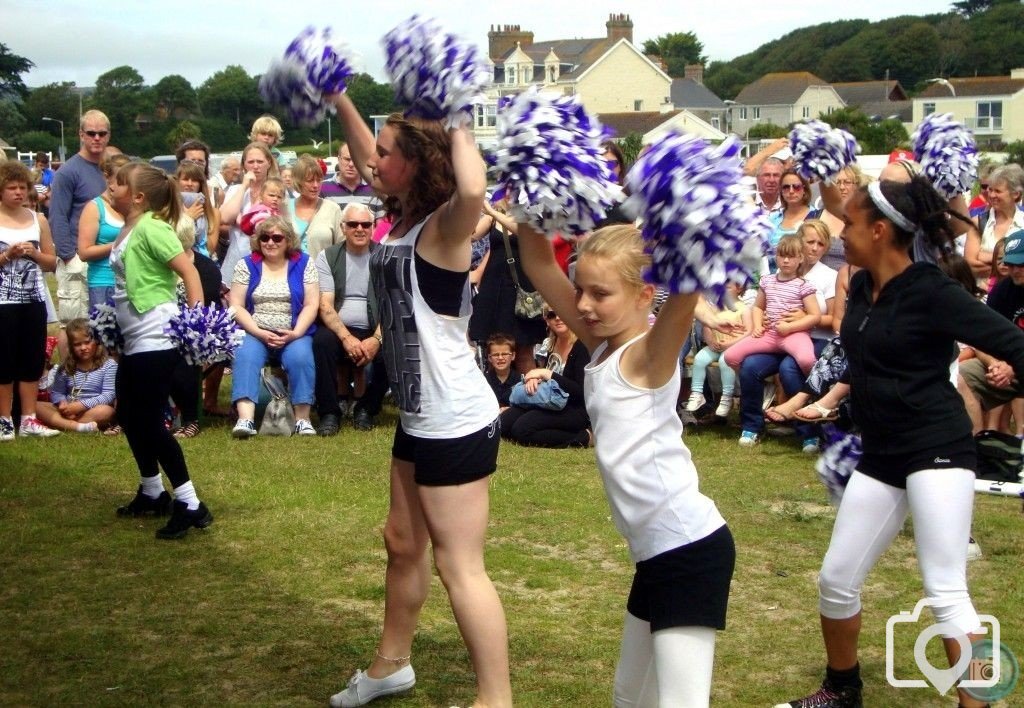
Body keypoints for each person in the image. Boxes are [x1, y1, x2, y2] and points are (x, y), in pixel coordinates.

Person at [775, 176, 1024, 708]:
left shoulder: (932, 291)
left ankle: (977, 702)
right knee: (836, 580)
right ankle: (843, 691)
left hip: (937, 449)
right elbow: (863, 364)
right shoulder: (863, 288)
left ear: (882, 231)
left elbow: (1011, 343)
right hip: (881, 451)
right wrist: (822, 406)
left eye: (853, 224)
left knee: (946, 592)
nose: (844, 233)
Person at [325, 91, 511, 708]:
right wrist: (338, 96)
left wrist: (457, 117)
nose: (372, 161)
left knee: (461, 567)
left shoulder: (444, 229)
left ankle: (496, 699)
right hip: (420, 415)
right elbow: (364, 149)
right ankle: (391, 666)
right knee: (402, 543)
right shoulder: (400, 216)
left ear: (416, 162)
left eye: (386, 153)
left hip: (455, 419)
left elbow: (473, 193)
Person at [517, 222, 735, 706]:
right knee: (628, 698)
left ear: (644, 295)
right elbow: (536, 263)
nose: (585, 304)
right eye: (580, 291)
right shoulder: (601, 347)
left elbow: (684, 291)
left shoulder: (649, 357)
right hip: (654, 557)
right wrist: (533, 202)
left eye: (601, 293)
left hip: (689, 551)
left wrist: (692, 220)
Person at [107, 163, 212, 540]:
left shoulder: (153, 226)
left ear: (137, 197)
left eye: (118, 183)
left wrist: (197, 325)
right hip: (136, 339)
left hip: (157, 336)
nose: (111, 186)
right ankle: (152, 491)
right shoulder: (129, 228)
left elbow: (190, 271)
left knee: (150, 421)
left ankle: (190, 502)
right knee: (131, 416)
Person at [228, 215, 318, 437]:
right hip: (255, 331)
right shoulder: (246, 265)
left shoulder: (305, 263)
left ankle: (302, 419)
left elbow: (311, 304)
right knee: (245, 355)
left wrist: (296, 333)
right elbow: (237, 306)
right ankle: (245, 419)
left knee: (301, 357)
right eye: (265, 238)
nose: (270, 242)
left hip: (293, 332)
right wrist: (258, 332)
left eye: (277, 238)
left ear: (288, 240)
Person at [723, 234, 821, 423]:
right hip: (769, 335)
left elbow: (814, 316)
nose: (785, 260)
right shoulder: (767, 281)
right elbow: (758, 307)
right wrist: (758, 326)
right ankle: (766, 384)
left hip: (793, 335)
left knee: (807, 359)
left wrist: (791, 326)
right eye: (781, 255)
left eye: (791, 256)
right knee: (731, 356)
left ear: (800, 258)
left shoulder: (804, 286)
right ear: (775, 256)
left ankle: (814, 392)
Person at [312, 202, 384, 435]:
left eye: (365, 224)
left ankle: (367, 408)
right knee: (322, 342)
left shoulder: (385, 257)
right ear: (343, 228)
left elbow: (393, 306)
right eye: (353, 224)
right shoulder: (328, 257)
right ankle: (329, 412)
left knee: (397, 349)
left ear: (373, 227)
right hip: (339, 327)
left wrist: (376, 339)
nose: (359, 229)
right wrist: (346, 338)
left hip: (376, 327)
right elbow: (325, 305)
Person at [0, 161, 60, 440]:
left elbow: (51, 262)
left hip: (33, 299)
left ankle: (28, 418)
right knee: (4, 361)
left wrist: (33, 254)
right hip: (3, 301)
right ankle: (4, 420)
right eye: (11, 187)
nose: (18, 192)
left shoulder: (39, 220)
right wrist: (6, 256)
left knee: (31, 359)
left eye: (22, 187)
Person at [49, 110, 110, 354]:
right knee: (72, 325)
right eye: (91, 133)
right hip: (76, 257)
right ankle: (69, 378)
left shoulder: (108, 170)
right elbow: (57, 216)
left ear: (108, 135)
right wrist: (68, 256)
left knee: (99, 323)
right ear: (81, 135)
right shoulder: (68, 171)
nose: (96, 138)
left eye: (101, 133)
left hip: (103, 258)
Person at [500, 308, 591, 448]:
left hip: (575, 408)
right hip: (548, 402)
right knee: (503, 424)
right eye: (552, 315)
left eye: (563, 313)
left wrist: (547, 374)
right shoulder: (550, 344)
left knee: (522, 431)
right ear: (546, 319)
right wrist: (535, 379)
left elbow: (582, 392)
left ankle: (584, 438)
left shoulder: (582, 347)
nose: (558, 318)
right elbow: (544, 377)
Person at [35, 317, 116, 433]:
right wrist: (62, 403)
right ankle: (78, 427)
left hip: (92, 409)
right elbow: (57, 392)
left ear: (97, 341)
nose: (83, 348)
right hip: (68, 408)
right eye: (77, 344)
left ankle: (63, 424)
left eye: (87, 342)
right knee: (35, 405)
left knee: (107, 411)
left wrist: (81, 405)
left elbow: (108, 395)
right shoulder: (66, 367)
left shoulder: (109, 365)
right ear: (71, 347)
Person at [684, 281, 752, 418]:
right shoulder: (717, 306)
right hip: (716, 345)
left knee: (724, 362)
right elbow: (707, 325)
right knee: (699, 359)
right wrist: (710, 341)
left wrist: (730, 343)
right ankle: (697, 393)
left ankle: (727, 397)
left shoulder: (744, 308)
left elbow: (749, 331)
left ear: (739, 289)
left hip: (733, 347)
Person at [219, 142, 279, 287]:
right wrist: (244, 185)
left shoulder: (276, 191)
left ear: (268, 163)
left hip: (268, 262)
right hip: (236, 259)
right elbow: (225, 218)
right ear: (244, 165)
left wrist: (241, 220)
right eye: (250, 162)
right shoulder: (236, 190)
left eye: (260, 161)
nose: (255, 166)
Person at [77, 153, 131, 308]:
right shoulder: (94, 207)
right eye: (120, 180)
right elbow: (84, 252)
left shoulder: (134, 207)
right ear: (108, 178)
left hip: (131, 281)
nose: (125, 186)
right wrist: (119, 244)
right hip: (104, 281)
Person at [965, 164, 1024, 283]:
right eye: (990, 189)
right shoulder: (978, 222)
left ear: (1015, 194)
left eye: (997, 191)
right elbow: (970, 265)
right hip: (983, 295)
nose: (991, 195)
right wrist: (1013, 264)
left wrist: (984, 256)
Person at [290, 154, 342, 260]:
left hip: (322, 274)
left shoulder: (333, 209)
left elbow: (341, 249)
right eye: (309, 181)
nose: (315, 185)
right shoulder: (284, 208)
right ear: (298, 181)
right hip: (289, 274)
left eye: (318, 180)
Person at [765, 170, 815, 271]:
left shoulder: (816, 217)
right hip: (771, 279)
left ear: (804, 189)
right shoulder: (772, 219)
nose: (791, 191)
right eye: (786, 187)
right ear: (781, 191)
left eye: (796, 187)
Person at [319, 142, 382, 218]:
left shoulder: (375, 189)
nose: (351, 164)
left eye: (355, 160)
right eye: (347, 159)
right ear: (339, 160)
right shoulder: (322, 188)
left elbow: (382, 226)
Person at [175, 159, 220, 259]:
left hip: (204, 261)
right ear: (177, 182)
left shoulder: (214, 213)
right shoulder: (168, 210)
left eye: (195, 180)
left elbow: (210, 249)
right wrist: (188, 218)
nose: (190, 184)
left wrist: (198, 224)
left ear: (200, 184)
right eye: (185, 179)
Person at [483, 333, 518, 411]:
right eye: (495, 355)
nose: (500, 358)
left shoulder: (520, 381)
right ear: (489, 358)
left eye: (505, 354)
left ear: (513, 356)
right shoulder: (483, 381)